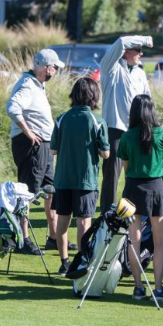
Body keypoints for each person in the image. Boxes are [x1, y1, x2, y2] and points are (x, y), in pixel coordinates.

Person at [6, 49, 68, 255]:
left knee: (51, 190)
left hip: (44, 146)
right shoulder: (27, 85)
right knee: (27, 193)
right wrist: (29, 132)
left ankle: (53, 237)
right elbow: (12, 107)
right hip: (31, 145)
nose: (56, 71)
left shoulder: (37, 85)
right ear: (46, 68)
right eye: (55, 68)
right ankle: (22, 240)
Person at [117, 94, 163, 302]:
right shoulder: (162, 134)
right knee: (160, 242)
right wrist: (162, 186)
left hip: (131, 189)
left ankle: (138, 287)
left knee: (133, 241)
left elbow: (125, 168)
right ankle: (158, 288)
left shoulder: (126, 137)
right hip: (155, 188)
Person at [50, 78, 110, 275]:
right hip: (86, 179)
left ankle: (64, 262)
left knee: (62, 221)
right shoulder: (97, 120)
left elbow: (53, 150)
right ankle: (82, 261)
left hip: (63, 179)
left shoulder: (61, 119)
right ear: (94, 96)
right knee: (84, 221)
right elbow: (105, 153)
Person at [100, 35, 153, 213]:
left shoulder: (140, 72)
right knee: (112, 174)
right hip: (114, 128)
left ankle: (132, 208)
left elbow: (148, 99)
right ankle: (108, 210)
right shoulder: (111, 68)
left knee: (136, 171)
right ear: (126, 52)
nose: (141, 53)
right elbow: (121, 41)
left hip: (136, 130)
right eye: (138, 50)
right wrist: (146, 39)